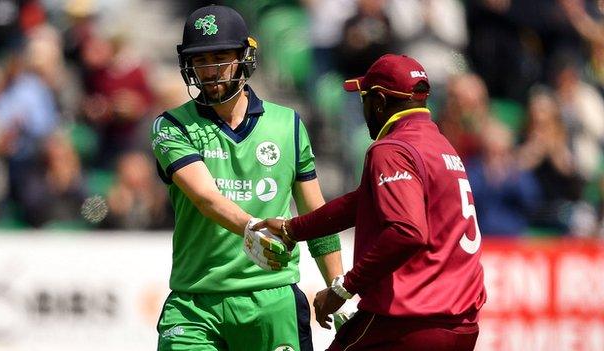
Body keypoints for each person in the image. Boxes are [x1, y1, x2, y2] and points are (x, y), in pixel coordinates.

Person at [255, 54, 486, 351]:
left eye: (363, 99)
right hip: (460, 326)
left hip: (407, 324)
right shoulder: (440, 145)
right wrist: (292, 229)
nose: (362, 109)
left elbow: (407, 232)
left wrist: (344, 288)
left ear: (378, 102)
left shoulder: (392, 149)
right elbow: (362, 203)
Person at [150, 5, 342, 351]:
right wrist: (255, 229)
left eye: (221, 57)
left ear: (245, 57)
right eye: (200, 60)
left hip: (272, 300)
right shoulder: (171, 126)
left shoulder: (289, 125)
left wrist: (338, 286)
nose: (210, 70)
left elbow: (316, 211)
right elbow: (206, 198)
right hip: (196, 303)